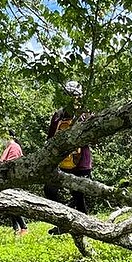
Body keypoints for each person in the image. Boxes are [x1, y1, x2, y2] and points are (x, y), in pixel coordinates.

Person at [44, 81, 93, 234]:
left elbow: (94, 136)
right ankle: (64, 222)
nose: (73, 98)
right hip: (61, 161)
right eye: (70, 95)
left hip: (81, 161)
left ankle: (86, 226)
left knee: (78, 195)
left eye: (75, 95)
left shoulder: (85, 114)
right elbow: (50, 138)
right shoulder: (58, 115)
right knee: (50, 190)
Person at [0, 134, 28, 235]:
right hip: (10, 178)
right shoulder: (13, 147)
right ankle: (16, 228)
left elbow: (11, 162)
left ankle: (23, 227)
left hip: (12, 177)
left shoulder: (14, 147)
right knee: (9, 204)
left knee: (12, 203)